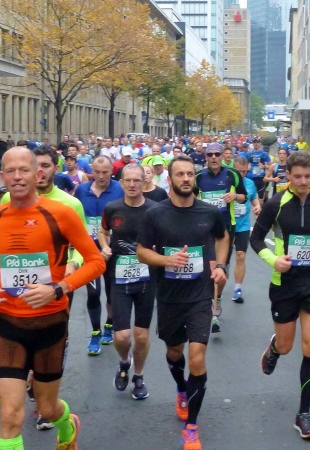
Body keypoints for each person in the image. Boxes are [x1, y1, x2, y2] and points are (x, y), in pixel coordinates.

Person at [0, 147, 105, 450]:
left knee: (47, 409)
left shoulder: (60, 213)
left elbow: (96, 262)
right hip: (8, 324)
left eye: (24, 170)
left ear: (37, 175)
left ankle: (68, 424)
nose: (17, 177)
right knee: (10, 414)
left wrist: (58, 288)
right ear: (2, 176)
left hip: (50, 324)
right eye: (11, 171)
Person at [137, 154, 229, 450]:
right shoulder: (155, 214)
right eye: (180, 174)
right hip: (169, 296)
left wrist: (220, 266)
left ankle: (192, 426)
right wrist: (166, 260)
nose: (186, 179)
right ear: (171, 179)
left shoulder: (209, 212)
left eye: (190, 174)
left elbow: (223, 237)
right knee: (174, 350)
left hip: (200, 294)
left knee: (197, 356)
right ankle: (181, 388)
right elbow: (141, 252)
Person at [250, 152, 310, 441]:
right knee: (287, 345)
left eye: (308, 176)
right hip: (285, 283)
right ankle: (275, 349)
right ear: (287, 175)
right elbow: (255, 238)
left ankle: (304, 414)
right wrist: (273, 260)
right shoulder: (276, 204)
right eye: (298, 177)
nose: (303, 182)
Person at [99, 164, 156, 400]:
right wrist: (104, 247)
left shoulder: (154, 210)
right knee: (122, 336)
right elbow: (103, 232)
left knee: (141, 335)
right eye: (128, 180)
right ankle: (124, 361)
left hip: (146, 279)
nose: (132, 185)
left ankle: (139, 376)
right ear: (121, 183)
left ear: (144, 182)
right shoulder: (112, 208)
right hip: (119, 278)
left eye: (137, 180)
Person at [74, 156, 125, 354]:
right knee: (93, 293)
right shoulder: (81, 190)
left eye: (105, 172)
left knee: (112, 293)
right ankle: (95, 331)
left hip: (112, 250)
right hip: (90, 251)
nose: (101, 176)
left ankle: (109, 324)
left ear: (112, 171)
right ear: (91, 171)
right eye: (97, 172)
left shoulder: (119, 189)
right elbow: (75, 218)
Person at [195, 143, 247, 332]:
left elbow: (244, 196)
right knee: (205, 269)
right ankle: (210, 310)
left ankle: (216, 298)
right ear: (206, 157)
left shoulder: (232, 174)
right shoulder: (199, 177)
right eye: (210, 154)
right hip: (204, 229)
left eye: (217, 154)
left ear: (222, 156)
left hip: (226, 229)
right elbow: (190, 198)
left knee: (221, 270)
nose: (214, 157)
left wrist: (234, 196)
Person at [231, 156, 261, 303]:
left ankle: (237, 288)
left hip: (243, 226)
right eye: (239, 171)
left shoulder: (249, 183)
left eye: (244, 171)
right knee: (222, 260)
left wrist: (257, 206)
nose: (242, 174)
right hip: (227, 226)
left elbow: (254, 197)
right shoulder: (227, 182)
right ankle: (217, 289)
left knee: (241, 256)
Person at [245, 138, 271, 205]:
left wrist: (264, 166)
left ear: (260, 144)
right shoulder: (248, 154)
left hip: (261, 179)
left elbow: (271, 166)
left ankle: (260, 210)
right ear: (252, 144)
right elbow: (243, 164)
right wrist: (247, 167)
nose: (256, 144)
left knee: (260, 198)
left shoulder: (264, 154)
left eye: (257, 142)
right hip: (251, 179)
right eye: (254, 142)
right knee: (249, 197)